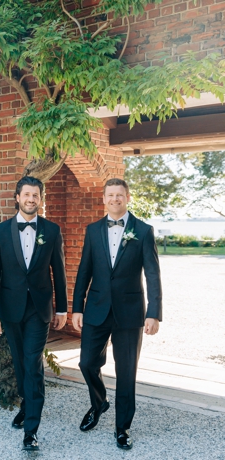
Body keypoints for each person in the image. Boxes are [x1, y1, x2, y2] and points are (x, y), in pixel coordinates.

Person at [72, 178, 162, 451]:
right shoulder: (93, 230)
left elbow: (153, 274)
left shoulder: (144, 231)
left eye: (119, 195)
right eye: (110, 195)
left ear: (127, 197)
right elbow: (84, 271)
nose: (114, 199)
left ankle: (122, 427)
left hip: (131, 312)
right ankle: (99, 403)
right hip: (96, 310)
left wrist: (154, 312)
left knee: (126, 373)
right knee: (87, 363)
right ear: (104, 199)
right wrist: (77, 307)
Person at [0, 179, 67, 451]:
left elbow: (60, 272)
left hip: (39, 310)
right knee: (19, 363)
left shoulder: (52, 231)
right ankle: (26, 403)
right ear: (17, 197)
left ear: (41, 199)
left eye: (36, 195)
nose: (32, 199)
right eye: (27, 194)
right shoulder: (1, 231)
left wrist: (62, 308)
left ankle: (31, 430)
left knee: (32, 364)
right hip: (10, 309)